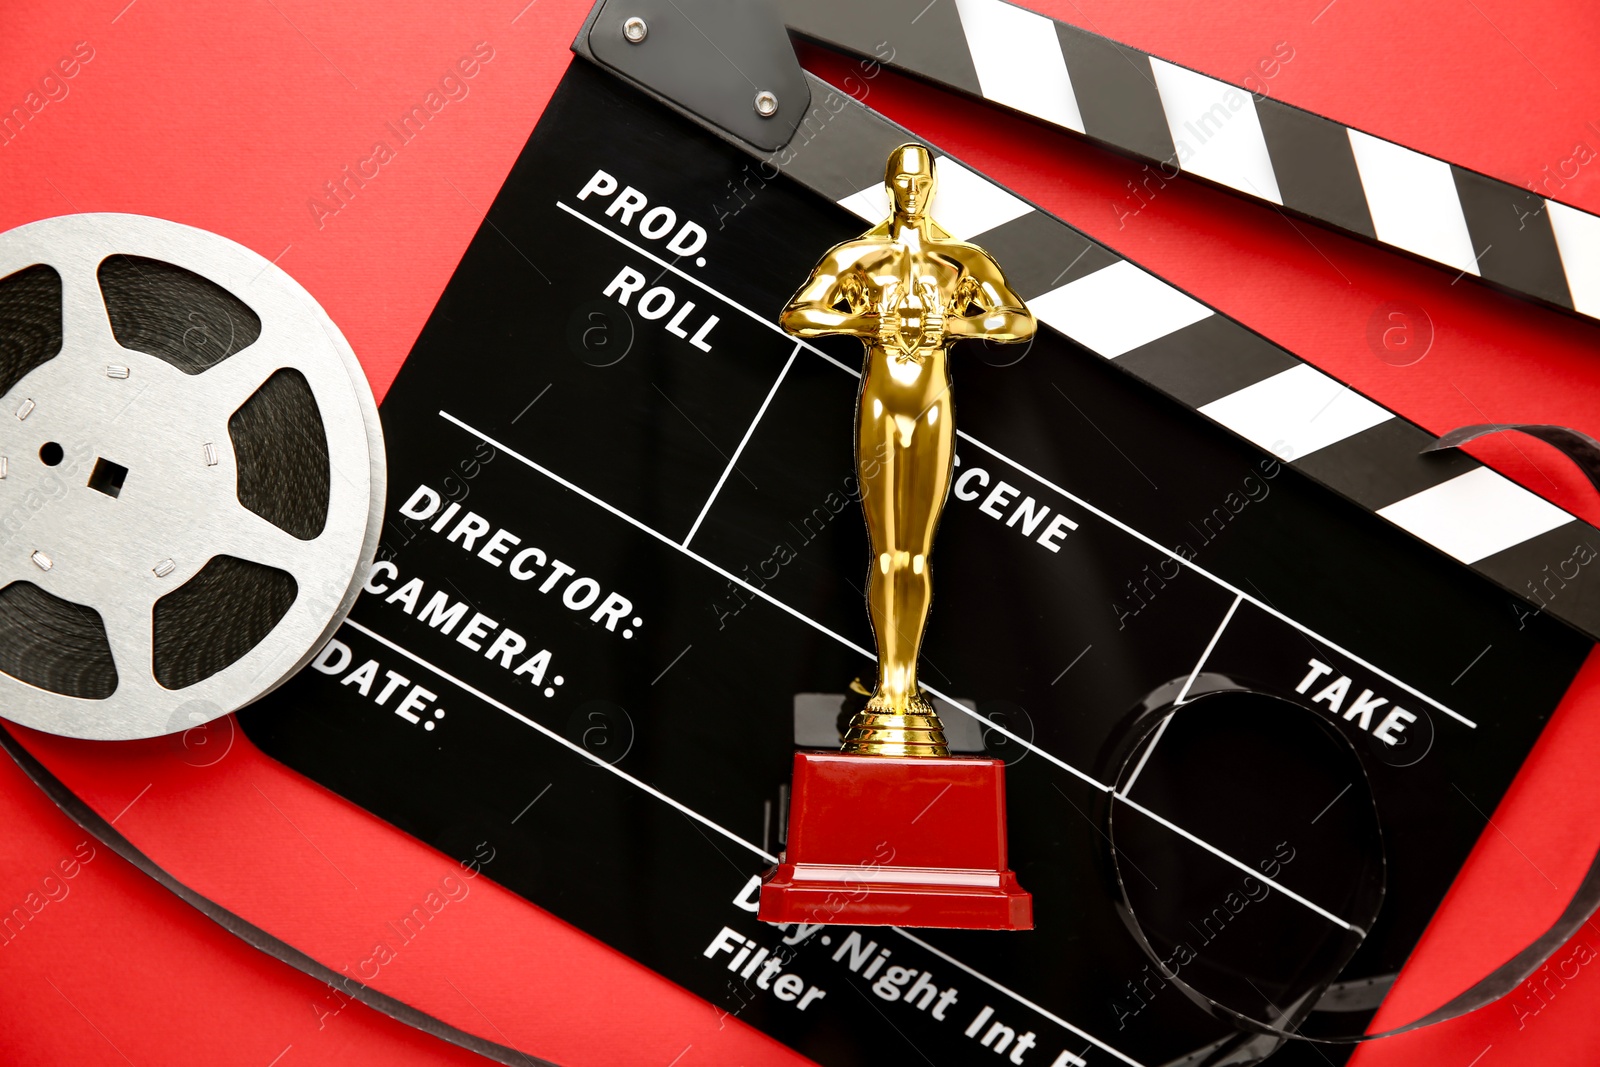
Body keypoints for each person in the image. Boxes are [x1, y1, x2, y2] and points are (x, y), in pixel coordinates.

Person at [779, 143, 1035, 756]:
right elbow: (800, 314)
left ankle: (905, 684)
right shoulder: (860, 256)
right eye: (903, 182)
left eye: (921, 183)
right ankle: (890, 687)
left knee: (915, 552)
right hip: (881, 402)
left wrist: (951, 326)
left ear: (933, 186)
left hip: (932, 405)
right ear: (889, 185)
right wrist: (869, 324)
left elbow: (1017, 321)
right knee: (886, 548)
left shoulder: (960, 259)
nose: (912, 193)